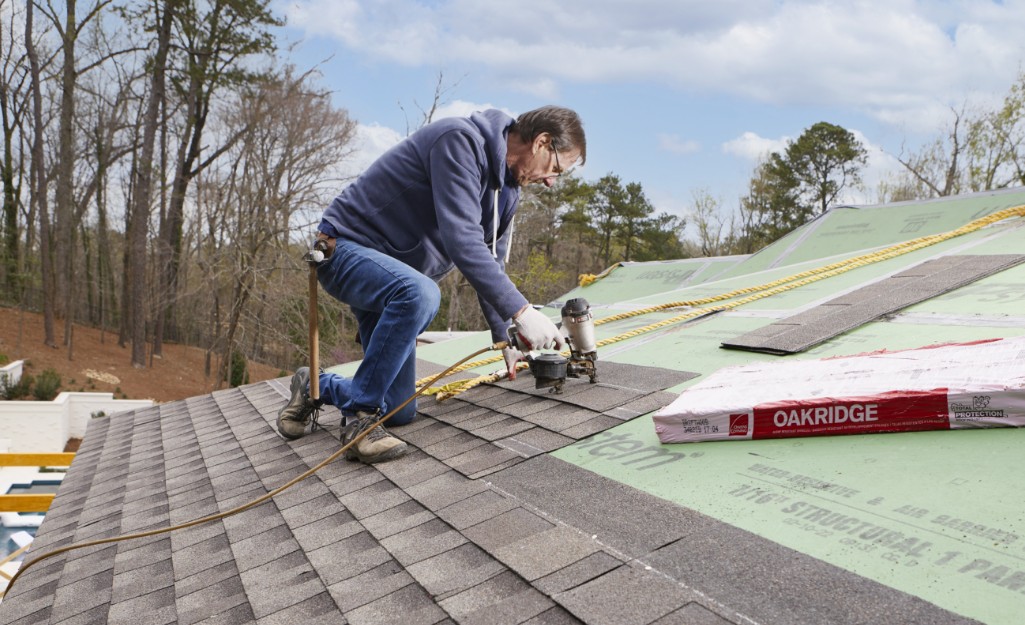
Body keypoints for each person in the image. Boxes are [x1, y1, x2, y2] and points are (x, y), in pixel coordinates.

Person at [276, 105, 587, 463]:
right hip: (344, 250)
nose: (550, 181)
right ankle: (360, 422)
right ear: (542, 142)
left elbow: (491, 262)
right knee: (422, 293)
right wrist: (522, 311)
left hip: (396, 286)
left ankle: (314, 385)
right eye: (556, 169)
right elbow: (463, 242)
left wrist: (506, 334)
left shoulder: (507, 192)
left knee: (399, 410)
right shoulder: (458, 142)